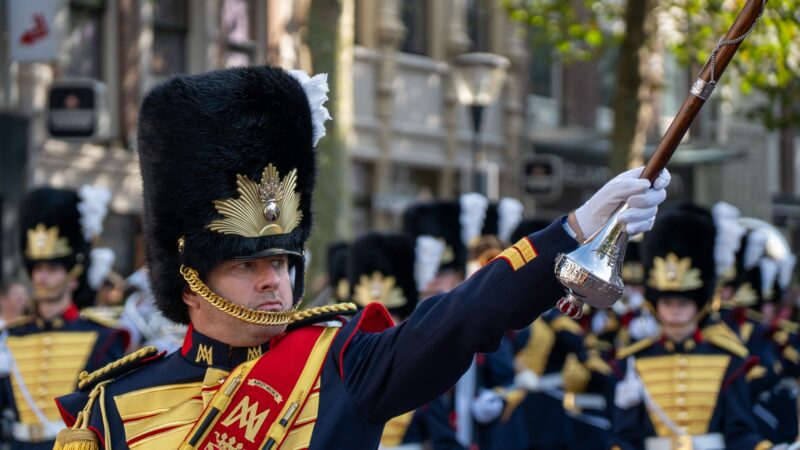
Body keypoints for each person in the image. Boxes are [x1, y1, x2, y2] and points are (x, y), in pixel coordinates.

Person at [53, 65, 668, 450]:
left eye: (282, 263)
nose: (273, 282)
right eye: (246, 265)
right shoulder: (111, 406)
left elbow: (463, 318)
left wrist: (577, 228)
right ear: (190, 281)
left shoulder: (341, 363)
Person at [611, 203, 773, 450]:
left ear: (699, 304)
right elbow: (625, 435)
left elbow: (739, 432)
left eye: (684, 302)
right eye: (667, 302)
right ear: (655, 303)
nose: (675, 310)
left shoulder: (728, 359)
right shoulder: (633, 361)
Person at [0, 187, 128, 450]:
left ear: (73, 276)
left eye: (52, 268)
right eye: (37, 267)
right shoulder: (9, 336)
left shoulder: (103, 336)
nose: (41, 277)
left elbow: (110, 415)